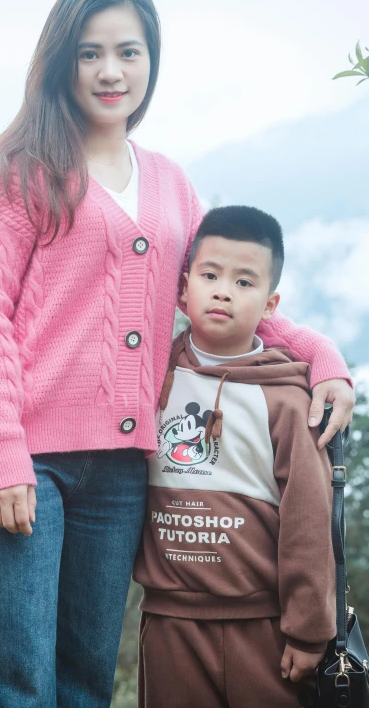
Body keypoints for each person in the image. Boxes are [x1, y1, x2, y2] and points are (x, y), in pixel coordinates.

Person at [0, 0, 353, 708]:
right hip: (21, 463)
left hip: (122, 473)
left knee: (84, 683)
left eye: (128, 52)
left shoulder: (168, 183)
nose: (110, 71)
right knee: (10, 683)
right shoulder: (15, 173)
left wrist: (322, 357)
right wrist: (1, 452)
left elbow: (216, 298)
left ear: (150, 62)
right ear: (60, 61)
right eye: (90, 53)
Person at [134, 205, 336, 708]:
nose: (223, 290)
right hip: (170, 624)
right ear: (183, 289)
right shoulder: (150, 379)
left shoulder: (288, 400)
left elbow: (309, 519)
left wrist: (309, 631)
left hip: (264, 629)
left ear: (271, 305)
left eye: (244, 283)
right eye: (210, 275)